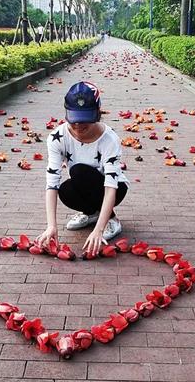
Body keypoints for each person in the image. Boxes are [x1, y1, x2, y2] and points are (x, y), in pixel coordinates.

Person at [36, 81, 129, 257]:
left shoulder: (109, 139)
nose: (78, 125)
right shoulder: (57, 138)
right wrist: (51, 226)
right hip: (85, 186)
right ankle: (91, 213)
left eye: (85, 118)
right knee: (65, 190)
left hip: (115, 189)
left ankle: (111, 219)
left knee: (79, 171)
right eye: (74, 118)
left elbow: (111, 187)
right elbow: (52, 183)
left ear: (97, 113)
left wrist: (99, 231)